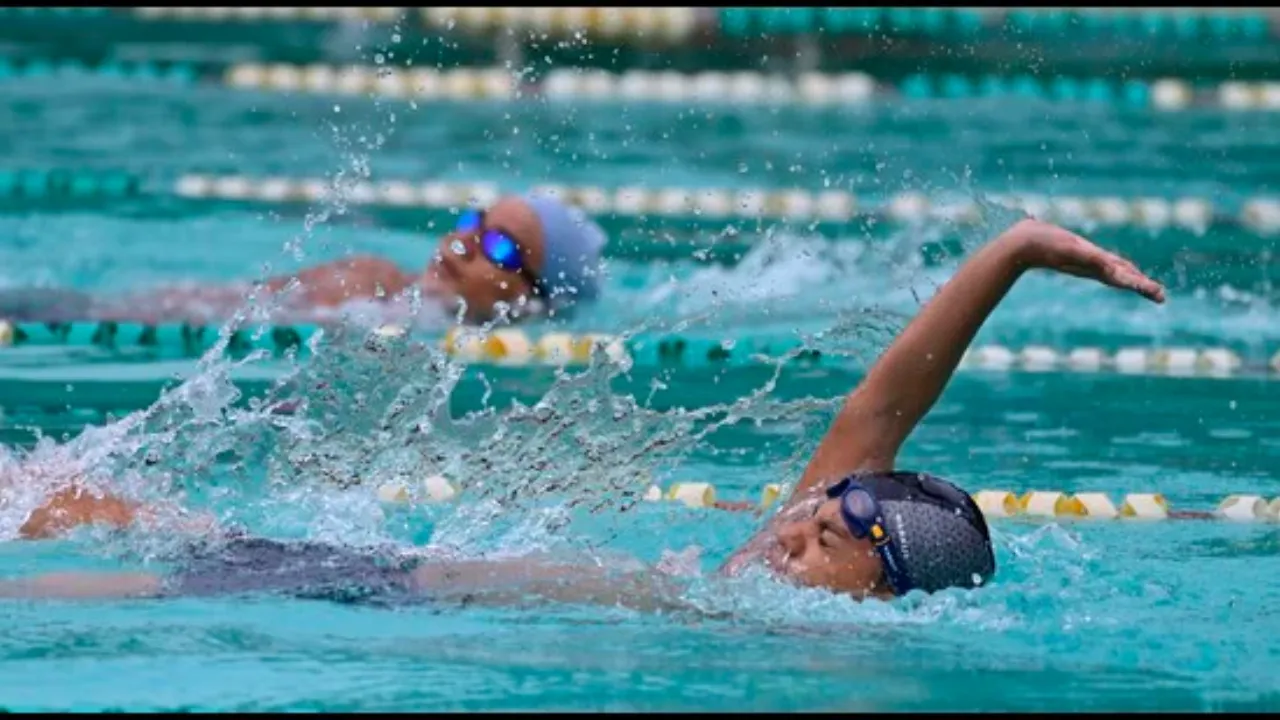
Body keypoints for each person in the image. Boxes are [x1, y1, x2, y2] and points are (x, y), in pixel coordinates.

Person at [0, 218, 1165, 608]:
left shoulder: (789, 633)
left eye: (832, 535)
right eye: (820, 503)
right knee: (72, 504)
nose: (798, 525)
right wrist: (1012, 251)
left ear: (885, 590)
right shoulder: (761, 567)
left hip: (365, 595)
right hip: (363, 575)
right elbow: (884, 401)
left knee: (73, 543)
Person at [0, 193, 607, 327]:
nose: (464, 241)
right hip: (90, 313)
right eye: (472, 220)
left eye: (499, 246)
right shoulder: (373, 282)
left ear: (531, 296)